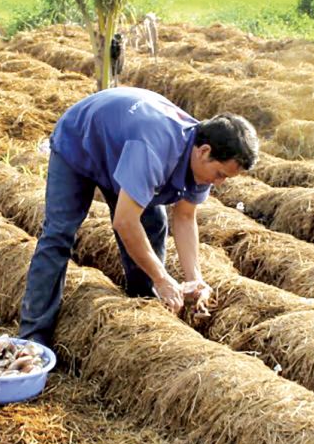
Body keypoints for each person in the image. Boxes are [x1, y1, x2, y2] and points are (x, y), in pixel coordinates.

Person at [17, 88, 260, 348]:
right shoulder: (156, 148)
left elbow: (185, 217)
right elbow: (124, 222)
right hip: (82, 141)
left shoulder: (202, 160)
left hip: (123, 145)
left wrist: (195, 279)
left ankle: (144, 304)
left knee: (154, 224)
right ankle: (33, 337)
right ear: (203, 151)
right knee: (59, 235)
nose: (220, 183)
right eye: (220, 174)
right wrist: (163, 278)